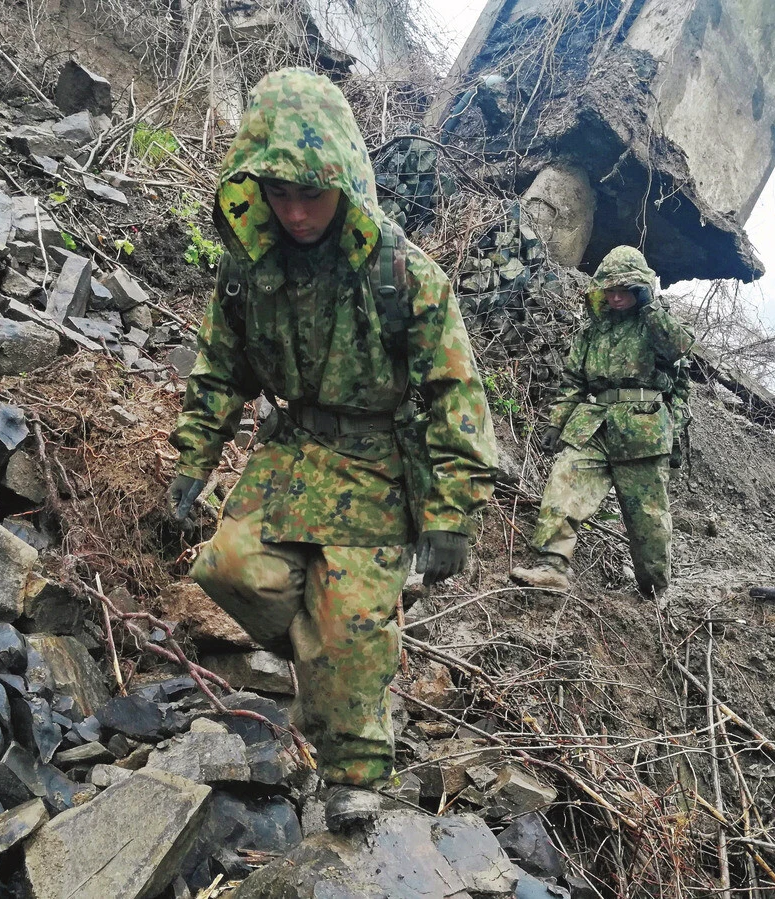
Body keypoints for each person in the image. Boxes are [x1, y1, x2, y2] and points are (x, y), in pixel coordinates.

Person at [166, 68, 497, 830]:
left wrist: (452, 513)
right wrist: (194, 458)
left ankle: (355, 772)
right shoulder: (249, 267)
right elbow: (220, 368)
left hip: (379, 466)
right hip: (291, 456)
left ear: (346, 183)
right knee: (228, 569)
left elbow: (455, 393)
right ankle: (335, 665)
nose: (295, 211)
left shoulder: (402, 273)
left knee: (346, 620)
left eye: (311, 195)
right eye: (278, 194)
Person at [509, 246, 694, 598]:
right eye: (609, 289)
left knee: (647, 519)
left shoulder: (656, 325)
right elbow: (574, 381)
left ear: (640, 290)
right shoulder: (592, 333)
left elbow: (679, 349)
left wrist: (651, 306)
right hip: (592, 424)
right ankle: (552, 565)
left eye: (625, 289)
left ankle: (654, 589)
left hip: (643, 427)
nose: (615, 296)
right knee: (564, 482)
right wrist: (556, 422)